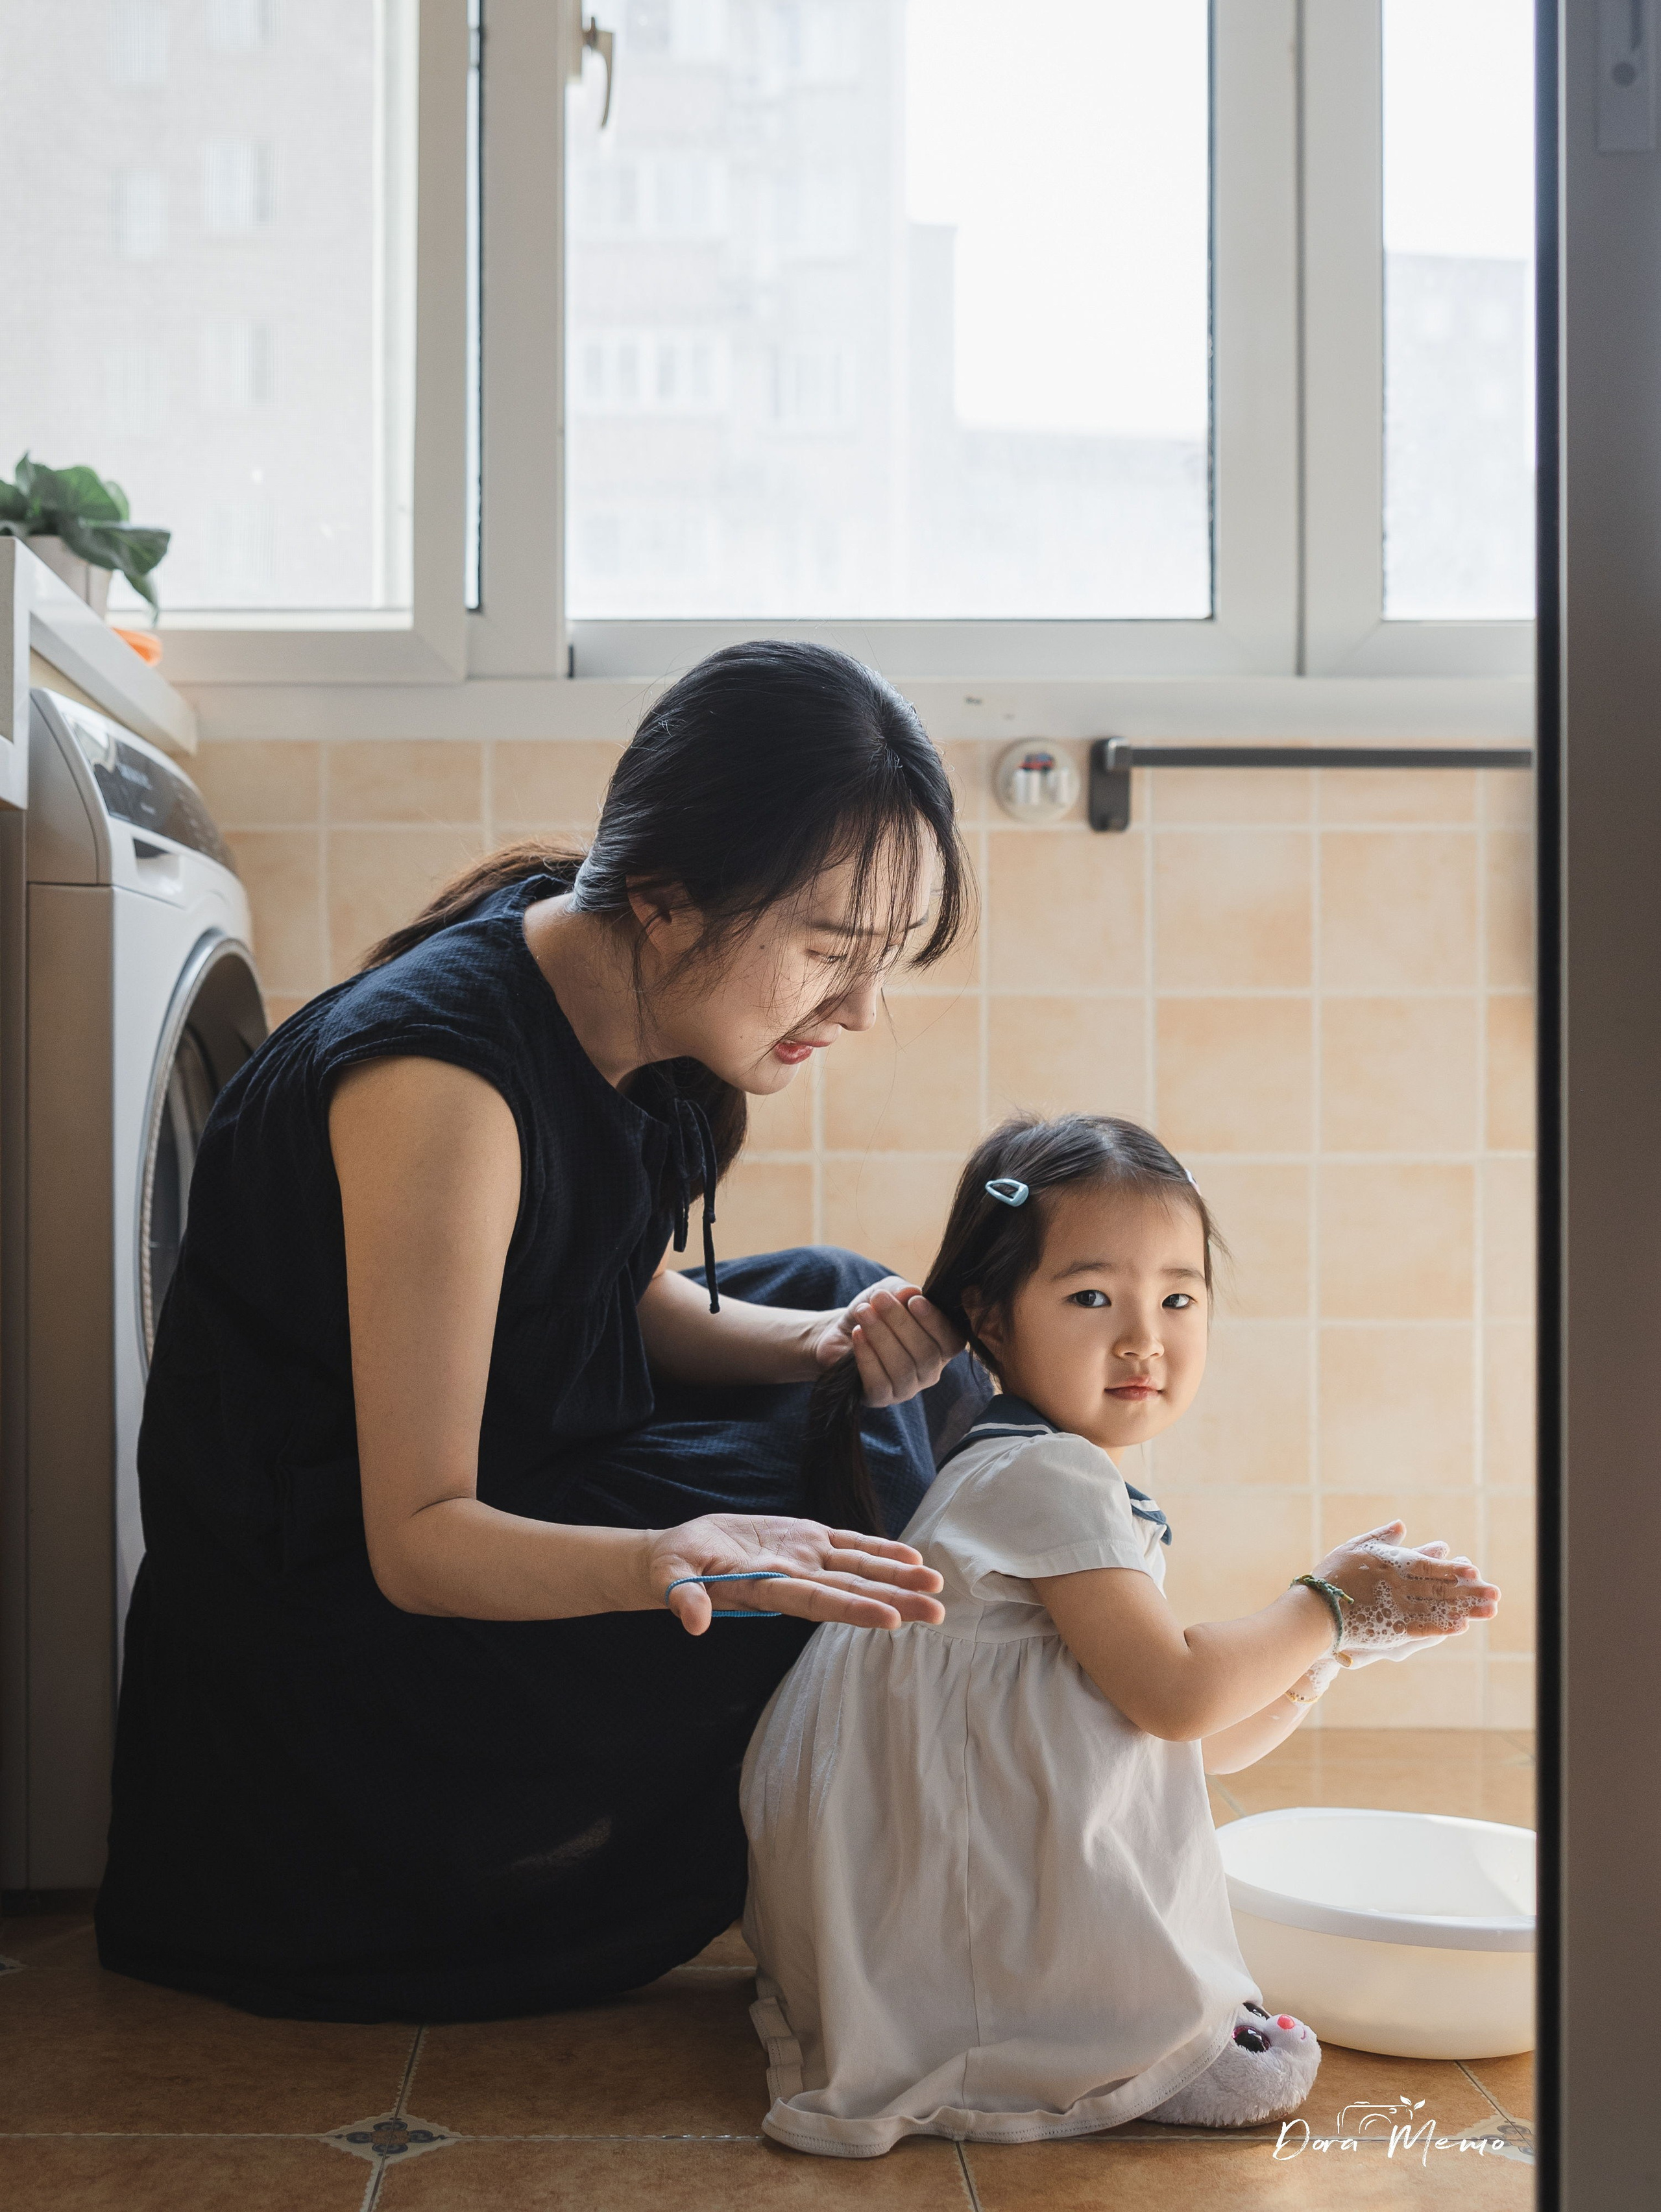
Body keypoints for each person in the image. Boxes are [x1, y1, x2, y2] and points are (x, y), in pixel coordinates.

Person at [95, 639, 982, 2023]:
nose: (859, 1011)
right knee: (838, 1503)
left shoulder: (590, 964)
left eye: (881, 964)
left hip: (498, 1486)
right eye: (827, 954)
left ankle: (956, 1797)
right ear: (666, 901)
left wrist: (824, 1344)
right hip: (334, 1662)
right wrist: (669, 1555)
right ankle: (936, 1874)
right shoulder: (436, 1087)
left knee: (854, 1311)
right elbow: (421, 1535)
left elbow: (603, 1290)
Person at [740, 1112, 1504, 2155]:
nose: (1145, 1336)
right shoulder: (1047, 1476)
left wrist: (1319, 1658)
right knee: (1164, 1935)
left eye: (1179, 1297)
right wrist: (1325, 1600)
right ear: (992, 1317)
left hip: (891, 1867)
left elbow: (1183, 1747)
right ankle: (1115, 2037)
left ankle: (1077, 2009)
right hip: (941, 1881)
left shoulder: (1026, 1464)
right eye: (1093, 1296)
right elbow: (1177, 1697)